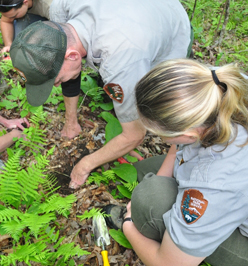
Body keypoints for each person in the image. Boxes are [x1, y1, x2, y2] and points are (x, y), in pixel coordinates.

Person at [9, 0, 193, 189]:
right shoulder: (61, 12)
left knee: (157, 105)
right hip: (135, 13)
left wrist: (85, 165)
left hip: (171, 22)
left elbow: (136, 134)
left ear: (72, 56)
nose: (56, 84)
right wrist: (71, 122)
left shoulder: (120, 62)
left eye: (55, 79)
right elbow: (67, 59)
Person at [105, 59, 248, 266]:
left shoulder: (216, 181)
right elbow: (178, 147)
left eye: (159, 134)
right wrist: (160, 179)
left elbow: (170, 264)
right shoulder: (212, 84)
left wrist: (129, 224)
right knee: (142, 174)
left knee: (148, 200)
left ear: (188, 134)